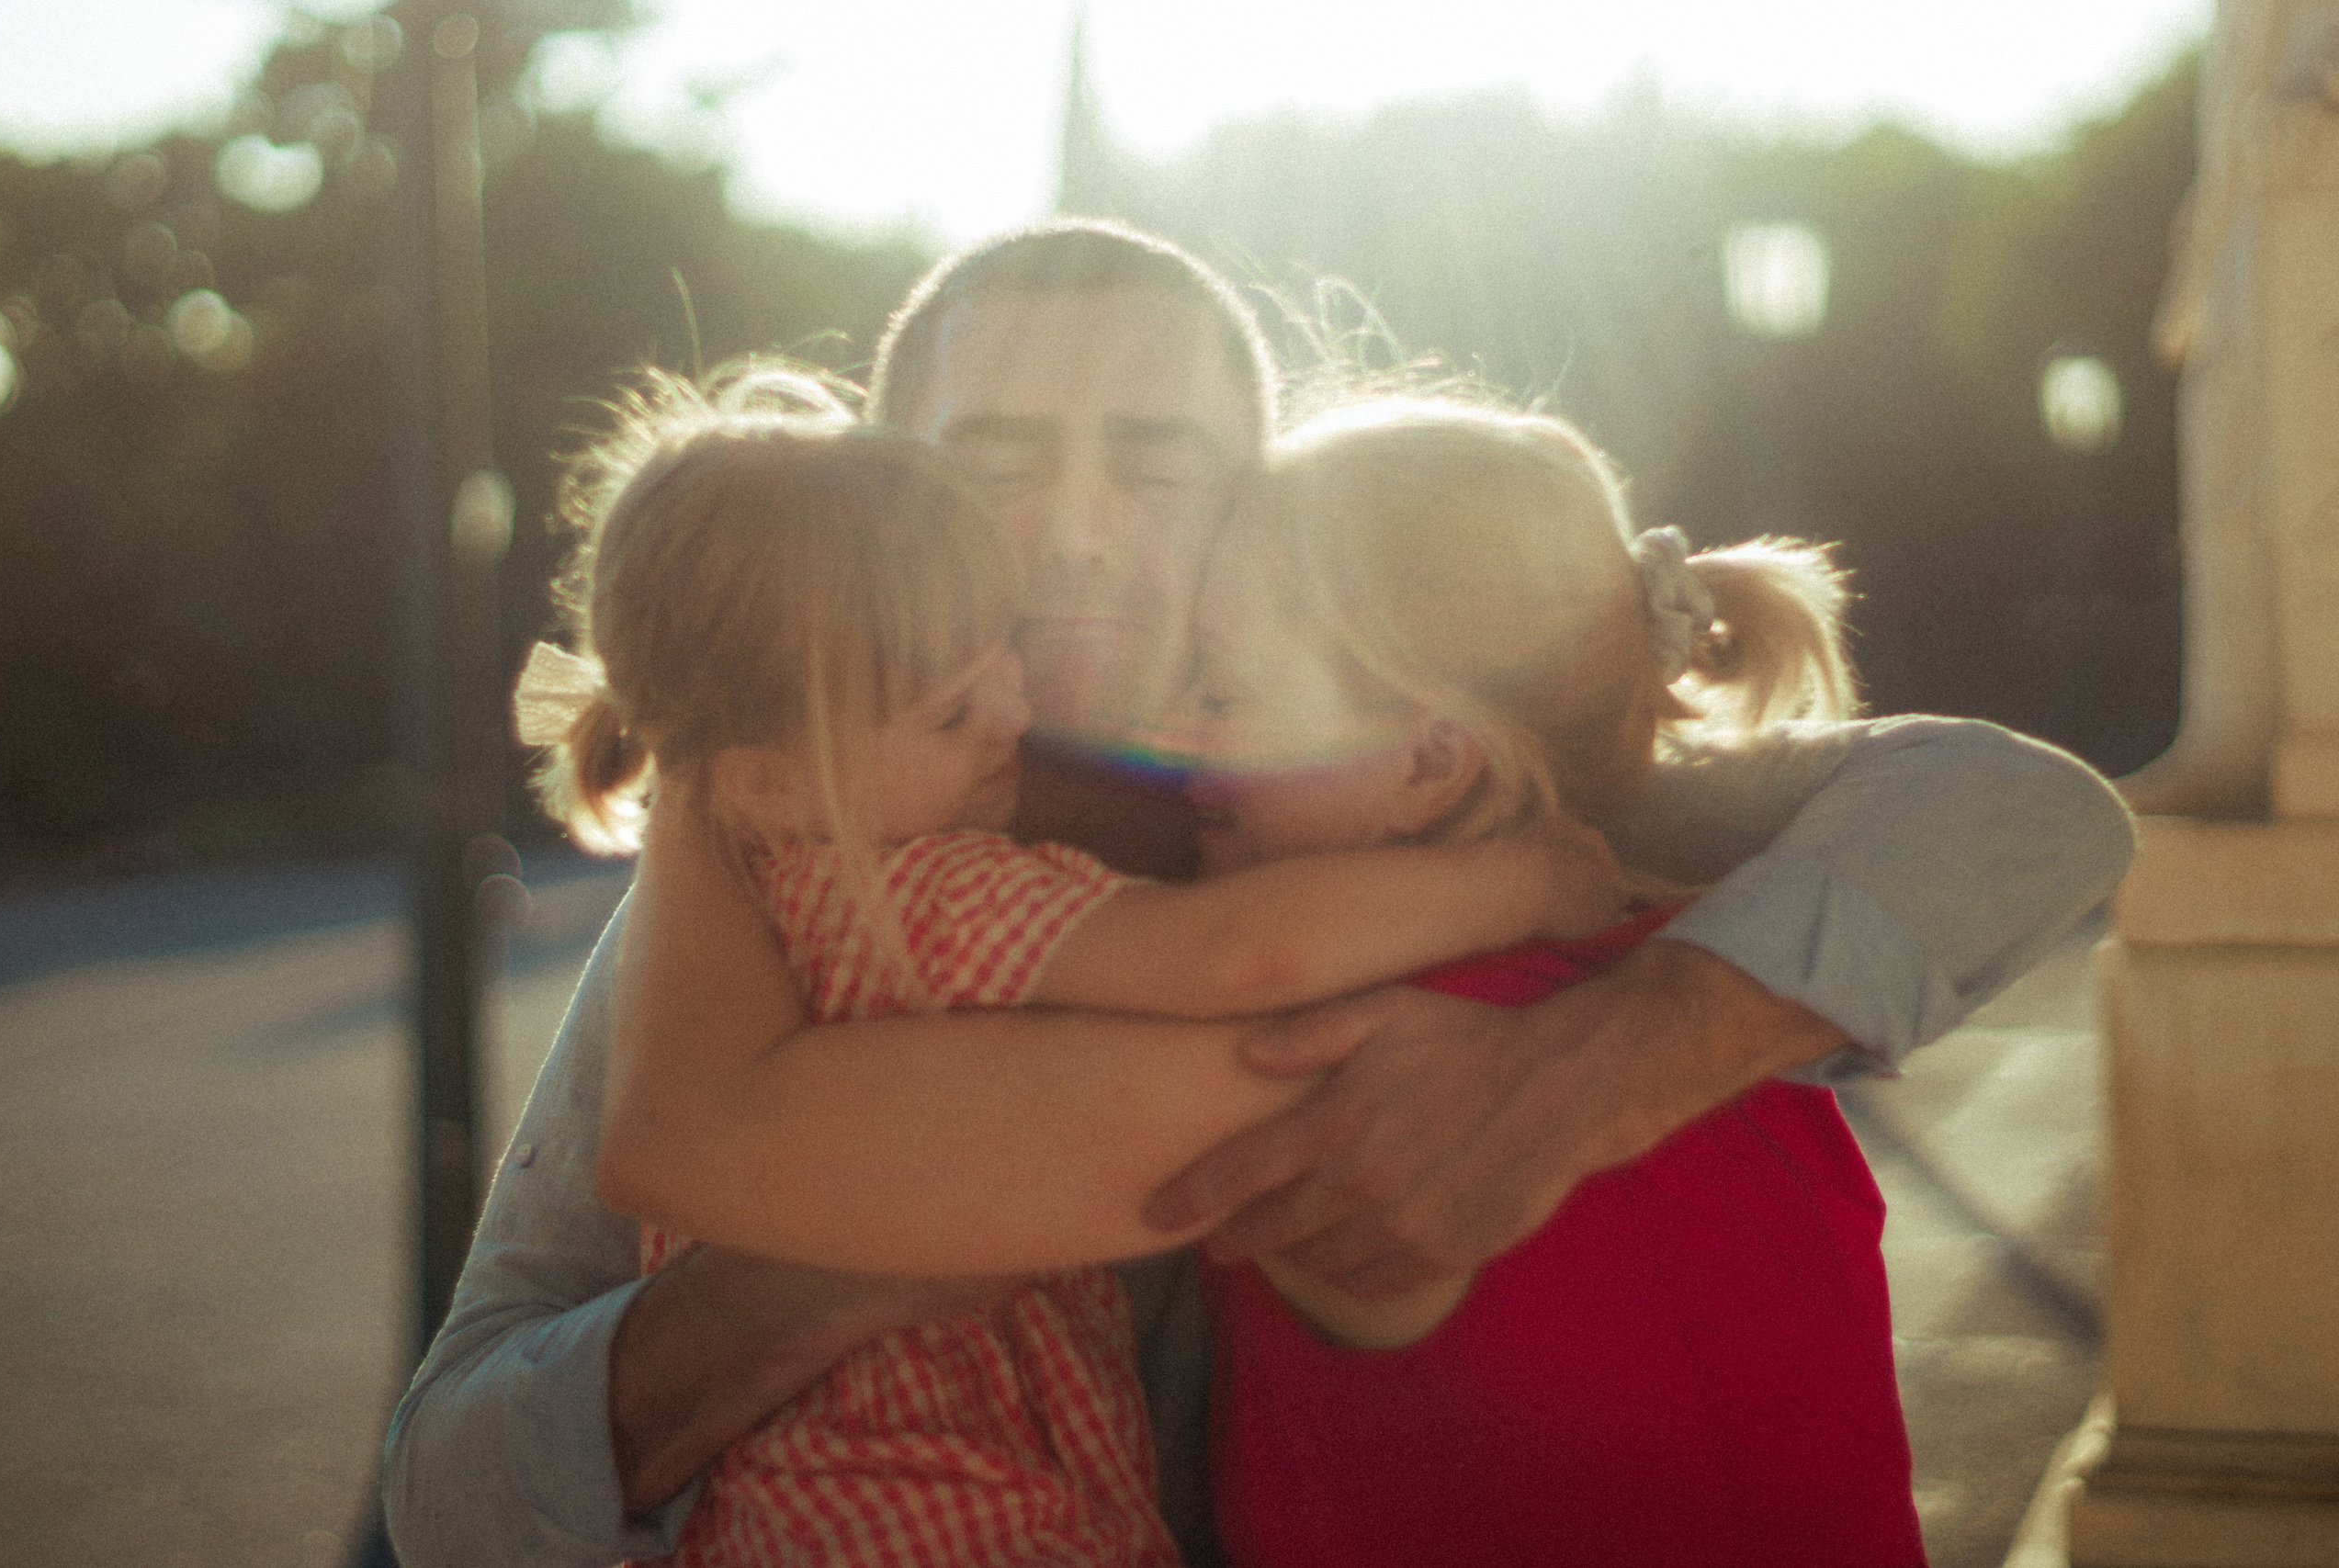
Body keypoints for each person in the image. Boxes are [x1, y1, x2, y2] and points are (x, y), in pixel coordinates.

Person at [380, 220, 2133, 1568]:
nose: (1069, 532)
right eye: (991, 464)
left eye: (1154, 464)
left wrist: (1589, 1070)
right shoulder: (798, 886)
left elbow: (2011, 806)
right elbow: (455, 1479)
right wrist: (876, 1239)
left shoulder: (1418, 803)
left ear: (1258, 501)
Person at [509, 367, 1654, 1565]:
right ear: (771, 776)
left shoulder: (755, 898)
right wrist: (1529, 874)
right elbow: (1233, 955)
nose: (1011, 706)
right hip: (946, 1510)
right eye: (954, 711)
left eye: (997, 653)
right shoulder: (925, 890)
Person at [1184, 397, 1923, 1565]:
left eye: (1217, 692)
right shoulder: (1707, 967)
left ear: (1428, 761)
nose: (1170, 734)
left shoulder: (1371, 1057)